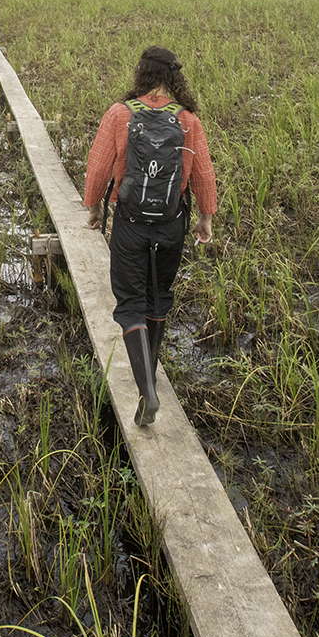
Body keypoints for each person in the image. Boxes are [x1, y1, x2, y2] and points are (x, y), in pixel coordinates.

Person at [83, 46, 216, 426]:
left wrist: (94, 208)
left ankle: (147, 392)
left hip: (130, 226)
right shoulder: (188, 120)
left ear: (141, 73)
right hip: (172, 224)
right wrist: (205, 217)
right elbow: (204, 173)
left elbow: (97, 168)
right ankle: (151, 381)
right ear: (174, 77)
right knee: (158, 299)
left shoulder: (120, 114)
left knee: (130, 303)